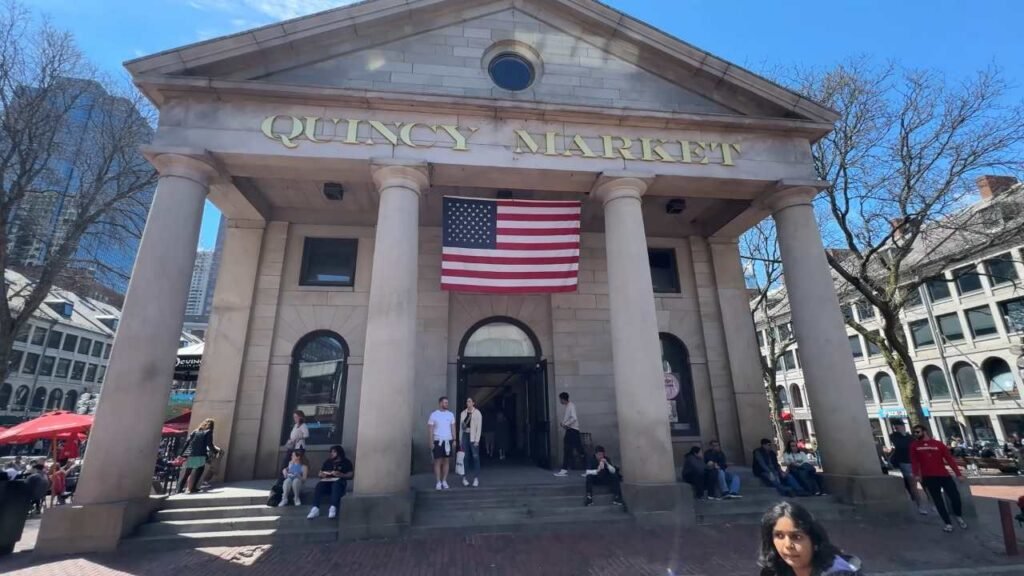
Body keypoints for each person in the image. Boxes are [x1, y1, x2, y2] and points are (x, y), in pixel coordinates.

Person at [758, 501, 862, 575]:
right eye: (779, 536)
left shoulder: (838, 573)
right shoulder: (775, 570)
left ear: (813, 539)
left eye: (797, 537)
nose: (788, 545)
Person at [910, 424, 967, 533]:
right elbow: (914, 461)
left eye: (918, 432)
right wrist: (916, 474)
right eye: (914, 433)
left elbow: (949, 459)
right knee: (938, 500)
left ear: (925, 431)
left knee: (955, 496)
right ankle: (947, 523)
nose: (916, 434)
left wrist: (958, 473)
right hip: (929, 477)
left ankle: (958, 515)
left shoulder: (938, 444)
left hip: (944, 475)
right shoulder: (914, 445)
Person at [889, 420, 928, 515]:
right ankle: (920, 505)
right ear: (896, 427)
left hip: (915, 462)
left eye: (903, 425)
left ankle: (930, 503)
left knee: (924, 482)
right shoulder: (894, 436)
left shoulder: (910, 437)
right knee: (913, 484)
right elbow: (901, 445)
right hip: (905, 462)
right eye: (901, 425)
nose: (903, 427)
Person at [307, 445, 354, 519]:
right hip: (327, 481)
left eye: (334, 452)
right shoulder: (328, 462)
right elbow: (320, 472)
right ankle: (315, 508)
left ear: (339, 453)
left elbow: (351, 474)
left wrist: (342, 474)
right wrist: (322, 474)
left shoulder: (346, 462)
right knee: (319, 485)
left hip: (339, 482)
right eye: (331, 452)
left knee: (336, 485)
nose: (332, 454)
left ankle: (333, 507)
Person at [178, 418, 217, 494]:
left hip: (192, 454)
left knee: (187, 473)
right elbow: (210, 444)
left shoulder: (195, 431)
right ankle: (193, 488)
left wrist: (182, 454)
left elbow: (187, 443)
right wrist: (215, 451)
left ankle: (179, 489)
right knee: (199, 471)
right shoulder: (208, 432)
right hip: (201, 454)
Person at [428, 396, 456, 490]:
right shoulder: (434, 415)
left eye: (447, 403)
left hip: (448, 440)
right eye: (445, 402)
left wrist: (454, 439)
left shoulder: (450, 415)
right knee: (437, 461)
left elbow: (453, 428)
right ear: (440, 403)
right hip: (437, 440)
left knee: (446, 461)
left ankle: (444, 480)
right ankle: (438, 482)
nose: (446, 404)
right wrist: (431, 442)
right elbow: (430, 430)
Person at [554, 392, 583, 477]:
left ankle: (589, 468)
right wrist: (564, 424)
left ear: (563, 399)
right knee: (570, 450)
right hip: (571, 430)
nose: (560, 401)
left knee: (578, 450)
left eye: (560, 399)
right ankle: (564, 469)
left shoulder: (571, 406)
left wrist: (565, 424)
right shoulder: (568, 406)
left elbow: (574, 418)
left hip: (572, 431)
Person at [458, 397, 482, 487]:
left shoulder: (477, 413)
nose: (468, 403)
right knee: (465, 457)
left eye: (469, 401)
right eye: (467, 401)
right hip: (465, 435)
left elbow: (479, 427)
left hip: (473, 436)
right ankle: (464, 478)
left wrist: (477, 440)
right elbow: (461, 428)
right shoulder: (463, 413)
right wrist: (460, 440)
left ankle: (476, 478)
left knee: (475, 457)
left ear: (473, 403)